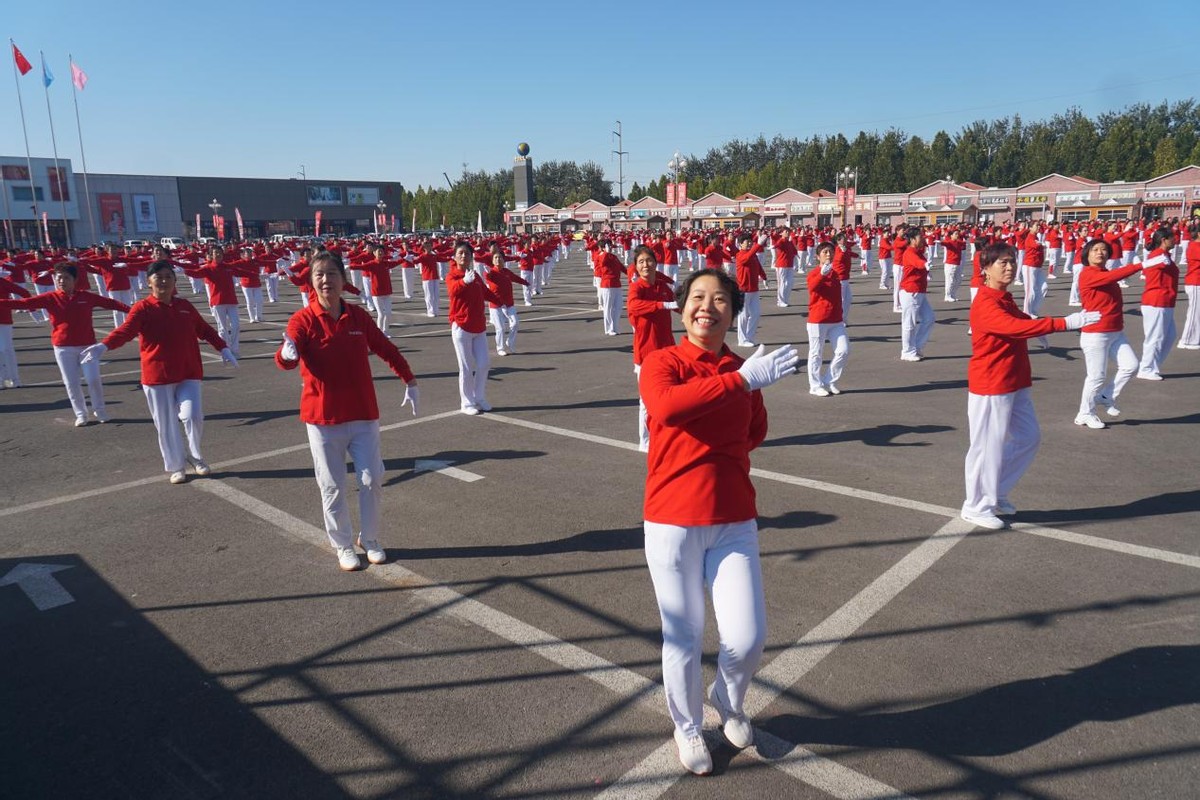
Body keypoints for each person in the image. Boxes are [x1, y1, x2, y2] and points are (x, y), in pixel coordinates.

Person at [638, 267, 799, 775]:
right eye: (698, 297)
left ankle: (727, 699)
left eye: (721, 300)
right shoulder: (662, 361)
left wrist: (742, 384)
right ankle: (686, 725)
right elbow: (665, 408)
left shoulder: (742, 367)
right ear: (682, 306)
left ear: (734, 312)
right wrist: (740, 382)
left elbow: (755, 431)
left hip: (733, 517)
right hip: (672, 519)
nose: (708, 307)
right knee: (683, 637)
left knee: (748, 637)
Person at [275, 251, 419, 571]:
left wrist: (409, 379)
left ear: (343, 279)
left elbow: (385, 347)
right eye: (319, 275)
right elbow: (288, 353)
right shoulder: (303, 320)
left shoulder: (358, 317)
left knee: (372, 479)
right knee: (332, 485)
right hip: (323, 419)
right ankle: (342, 544)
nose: (326, 280)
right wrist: (286, 354)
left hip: (363, 414)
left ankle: (368, 538)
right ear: (312, 282)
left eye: (332, 274)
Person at [961, 243, 1098, 530]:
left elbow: (1022, 321)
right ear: (985, 269)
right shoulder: (985, 302)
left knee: (1028, 438)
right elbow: (1013, 328)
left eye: (1012, 262)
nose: (1009, 267)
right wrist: (1065, 323)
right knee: (987, 448)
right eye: (1002, 263)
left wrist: (1041, 326)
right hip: (992, 384)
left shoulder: (1004, 298)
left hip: (1016, 381)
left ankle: (995, 491)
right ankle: (976, 505)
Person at [82, 261, 237, 483]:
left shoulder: (184, 306)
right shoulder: (143, 308)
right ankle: (176, 465)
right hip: (158, 375)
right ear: (149, 282)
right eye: (158, 277)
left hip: (188, 371)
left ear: (175, 281)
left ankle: (195, 456)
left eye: (168, 276)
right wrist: (103, 346)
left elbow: (204, 329)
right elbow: (126, 331)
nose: (164, 280)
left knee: (193, 416)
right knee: (165, 423)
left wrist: (223, 347)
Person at [0, 263, 129, 426]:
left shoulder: (87, 296)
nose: (61, 281)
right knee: (71, 382)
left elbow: (113, 304)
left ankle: (100, 410)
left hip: (88, 347)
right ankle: (81, 414)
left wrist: (134, 311)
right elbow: (23, 303)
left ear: (74, 280)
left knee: (93, 379)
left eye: (66, 278)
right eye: (58, 277)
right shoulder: (50, 298)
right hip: (63, 347)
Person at [1074, 238, 1144, 429]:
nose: (1100, 252)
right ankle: (1084, 413)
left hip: (1115, 331)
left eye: (1104, 250)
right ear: (1087, 254)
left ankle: (1106, 396)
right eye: (1095, 249)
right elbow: (1115, 276)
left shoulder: (1106, 273)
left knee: (1131, 365)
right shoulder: (1087, 274)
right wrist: (1142, 264)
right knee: (1096, 376)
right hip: (1096, 333)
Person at [626, 245, 677, 451]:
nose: (646, 265)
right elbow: (633, 306)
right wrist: (661, 305)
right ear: (636, 267)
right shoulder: (637, 287)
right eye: (641, 262)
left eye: (649, 261)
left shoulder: (663, 287)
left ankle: (667, 437)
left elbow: (678, 306)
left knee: (671, 398)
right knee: (646, 402)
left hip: (668, 351)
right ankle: (645, 442)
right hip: (646, 353)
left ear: (655, 263)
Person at [446, 241, 501, 414]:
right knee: (467, 367)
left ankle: (479, 397)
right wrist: (464, 282)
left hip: (479, 327)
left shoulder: (475, 275)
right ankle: (467, 403)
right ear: (454, 257)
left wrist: (501, 301)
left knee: (484, 364)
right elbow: (453, 291)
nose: (464, 256)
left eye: (467, 254)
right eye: (460, 253)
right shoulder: (452, 276)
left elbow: (485, 292)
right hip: (461, 327)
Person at [805, 242, 850, 396]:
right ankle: (815, 385)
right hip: (818, 320)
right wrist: (822, 275)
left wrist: (843, 252)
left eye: (831, 251)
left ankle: (829, 380)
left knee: (843, 351)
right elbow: (812, 287)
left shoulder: (835, 273)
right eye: (825, 252)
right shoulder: (814, 273)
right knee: (816, 354)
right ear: (818, 257)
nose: (829, 255)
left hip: (836, 320)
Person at [1136, 227, 1180, 380]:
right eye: (1172, 238)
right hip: (1157, 300)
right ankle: (1146, 368)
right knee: (1155, 337)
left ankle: (1151, 366)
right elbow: (1148, 269)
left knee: (1169, 336)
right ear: (1163, 240)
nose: (1175, 240)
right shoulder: (1158, 256)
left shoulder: (1164, 255)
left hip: (1165, 301)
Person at [898, 227, 935, 361]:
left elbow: (921, 262)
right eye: (920, 236)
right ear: (913, 239)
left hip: (919, 291)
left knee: (929, 318)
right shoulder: (909, 252)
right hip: (910, 291)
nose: (923, 238)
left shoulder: (919, 251)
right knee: (909, 323)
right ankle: (907, 351)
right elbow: (917, 263)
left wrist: (927, 270)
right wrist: (925, 265)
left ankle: (916, 347)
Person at [484, 251, 529, 356]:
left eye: (500, 257)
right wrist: (487, 273)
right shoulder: (491, 273)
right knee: (500, 328)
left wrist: (526, 283)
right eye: (495, 257)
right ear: (492, 260)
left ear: (504, 260)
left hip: (508, 303)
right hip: (496, 304)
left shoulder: (507, 272)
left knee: (515, 323)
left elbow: (516, 278)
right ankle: (500, 348)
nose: (498, 259)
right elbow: (487, 277)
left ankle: (510, 342)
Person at [734, 232, 769, 347]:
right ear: (740, 244)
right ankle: (742, 340)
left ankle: (750, 337)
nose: (749, 243)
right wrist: (757, 245)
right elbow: (746, 258)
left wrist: (764, 277)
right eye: (746, 242)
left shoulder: (753, 254)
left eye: (750, 241)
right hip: (743, 289)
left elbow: (758, 266)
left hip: (754, 288)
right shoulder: (740, 255)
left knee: (756, 314)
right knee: (743, 315)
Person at [0, 273, 32, 388]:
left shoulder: (2, 282)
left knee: (7, 350)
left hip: (3, 320)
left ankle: (15, 379)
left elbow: (24, 292)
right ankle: (1, 379)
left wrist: (31, 308)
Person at [1179, 221, 1200, 350]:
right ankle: (1186, 340)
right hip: (1195, 282)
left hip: (1197, 282)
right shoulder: (1194, 246)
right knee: (1194, 312)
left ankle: (1195, 338)